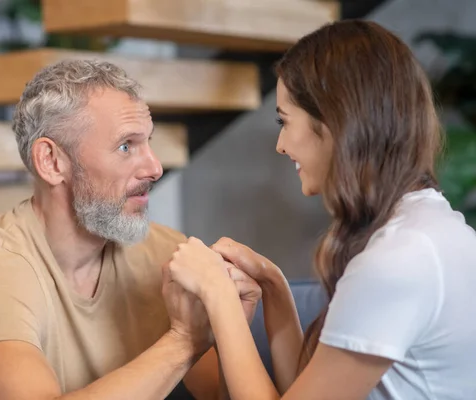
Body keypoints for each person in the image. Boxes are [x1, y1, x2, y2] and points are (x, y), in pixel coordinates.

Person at [165, 19, 476, 400]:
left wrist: (217, 295)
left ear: (333, 122)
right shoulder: (429, 227)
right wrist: (273, 285)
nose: (280, 144)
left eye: (285, 120)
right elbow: (307, 388)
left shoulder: (398, 260)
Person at [0, 59, 261, 399]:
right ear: (51, 161)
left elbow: (216, 394)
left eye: (148, 142)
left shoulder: (165, 255)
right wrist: (184, 340)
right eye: (125, 146)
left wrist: (230, 326)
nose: (155, 167)